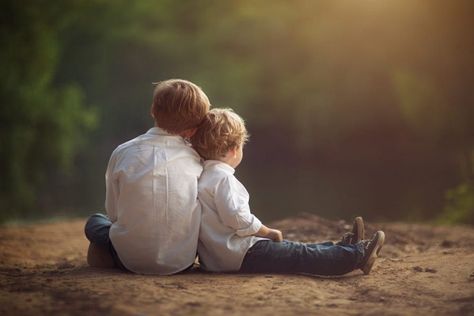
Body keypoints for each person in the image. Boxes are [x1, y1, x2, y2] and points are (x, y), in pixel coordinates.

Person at [190, 108, 385, 275]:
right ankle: (356, 256)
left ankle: (343, 248)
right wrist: (268, 232)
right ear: (234, 150)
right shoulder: (223, 179)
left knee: (294, 249)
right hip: (238, 254)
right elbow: (237, 218)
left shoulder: (203, 176)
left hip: (221, 256)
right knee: (298, 255)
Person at [84, 79, 211, 275]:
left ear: (153, 109)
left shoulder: (123, 152)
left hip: (128, 261)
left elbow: (114, 212)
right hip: (182, 261)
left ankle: (105, 256)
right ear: (193, 129)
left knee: (96, 222)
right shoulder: (197, 159)